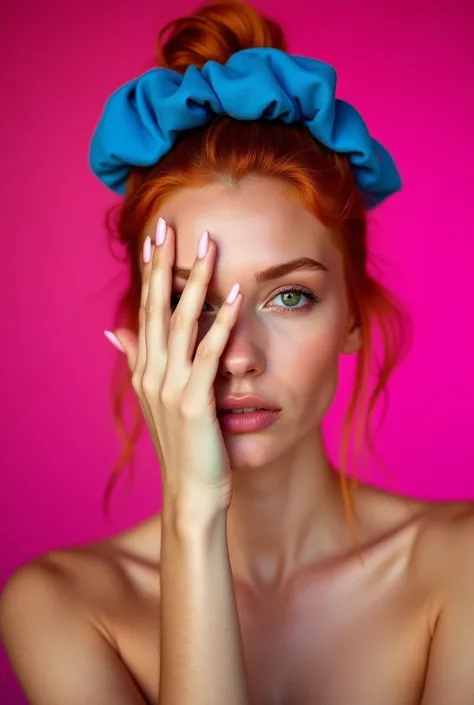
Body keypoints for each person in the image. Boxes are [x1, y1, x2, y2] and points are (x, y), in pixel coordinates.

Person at [1, 1, 473, 703]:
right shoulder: (61, 605)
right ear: (146, 322)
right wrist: (193, 513)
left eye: (289, 296)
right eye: (190, 301)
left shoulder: (460, 567)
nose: (237, 355)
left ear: (351, 316)